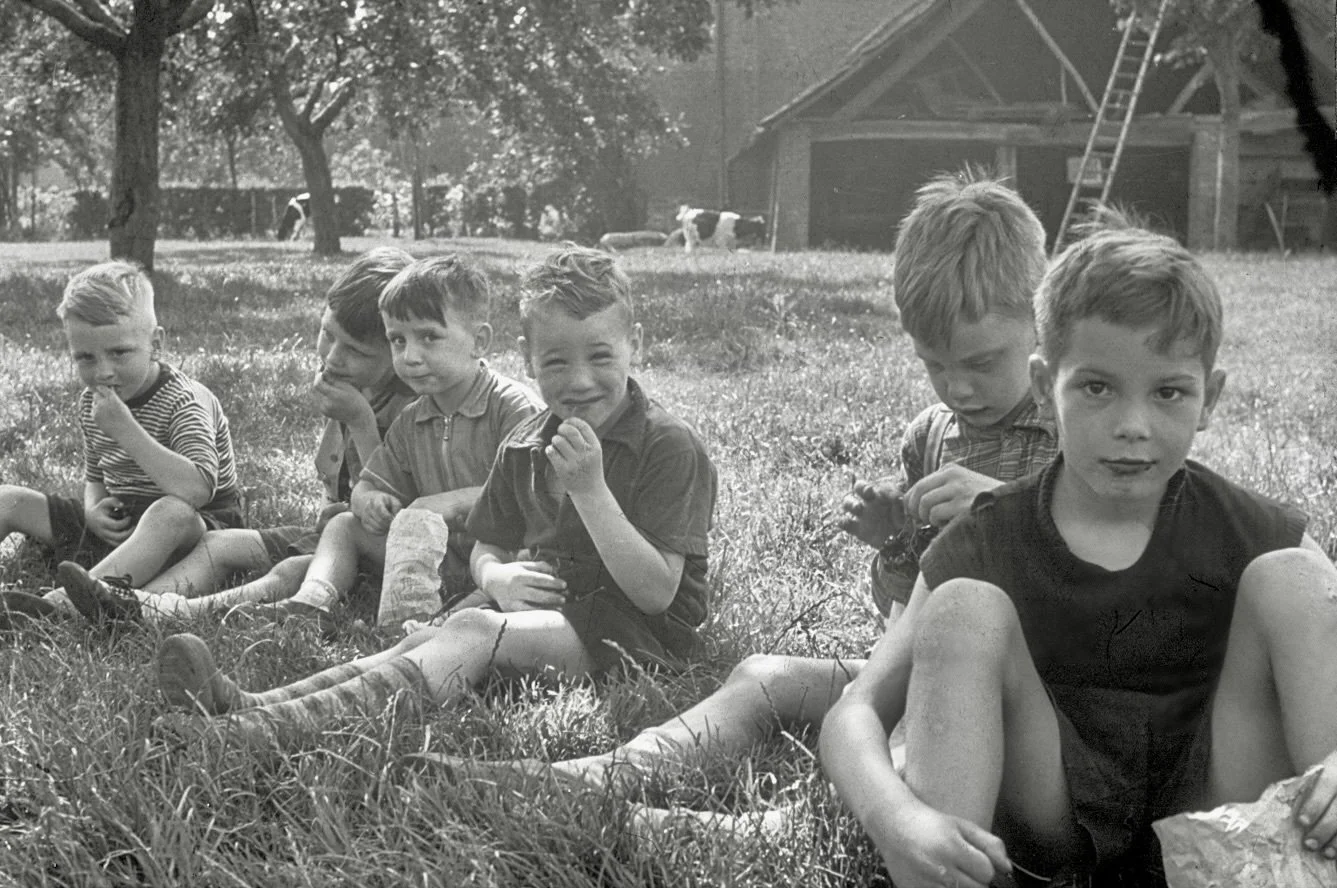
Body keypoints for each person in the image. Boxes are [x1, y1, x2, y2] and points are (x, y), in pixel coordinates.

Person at [405, 169, 1060, 822]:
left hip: (1031, 686)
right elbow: (903, 614)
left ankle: (771, 829)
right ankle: (602, 774)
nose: (958, 389)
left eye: (980, 364)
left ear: (1040, 329)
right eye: (933, 365)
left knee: (905, 735)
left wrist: (1003, 508)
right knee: (761, 676)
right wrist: (895, 548)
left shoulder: (1073, 435)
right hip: (916, 661)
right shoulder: (932, 435)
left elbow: (1118, 578)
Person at [819, 225, 1337, 887]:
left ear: (1209, 396)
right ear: (1043, 385)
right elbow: (854, 712)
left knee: (1295, 581)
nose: (1131, 425)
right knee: (959, 609)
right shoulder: (988, 537)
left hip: (1219, 827)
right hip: (1048, 827)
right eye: (1095, 388)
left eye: (1167, 392)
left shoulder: (1245, 527)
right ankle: (941, 879)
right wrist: (895, 817)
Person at [151, 244, 718, 750]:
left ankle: (257, 735)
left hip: (636, 635)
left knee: (469, 632)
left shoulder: (666, 446)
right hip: (552, 610)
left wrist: (590, 492)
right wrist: (494, 578)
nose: (579, 380)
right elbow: (488, 544)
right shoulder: (525, 443)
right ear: (527, 359)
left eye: (601, 357)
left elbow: (655, 594)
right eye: (555, 362)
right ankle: (253, 705)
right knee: (430, 634)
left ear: (634, 345)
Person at [61, 253, 541, 635]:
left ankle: (184, 609)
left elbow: (516, 493)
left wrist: (359, 426)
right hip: (375, 540)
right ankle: (143, 606)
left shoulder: (452, 404)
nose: (333, 357)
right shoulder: (418, 410)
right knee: (226, 543)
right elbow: (367, 486)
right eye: (398, 341)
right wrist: (363, 496)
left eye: (355, 349)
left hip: (470, 557)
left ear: (478, 341)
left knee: (292, 566)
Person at [0, 261, 243, 627]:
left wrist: (126, 430)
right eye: (86, 357)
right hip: (122, 521)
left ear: (155, 344)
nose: (103, 372)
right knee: (8, 499)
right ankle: (104, 576)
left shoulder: (184, 401)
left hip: (193, 530)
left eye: (119, 353)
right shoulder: (92, 402)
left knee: (169, 513)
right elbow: (95, 475)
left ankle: (62, 606)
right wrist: (93, 509)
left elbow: (197, 491)